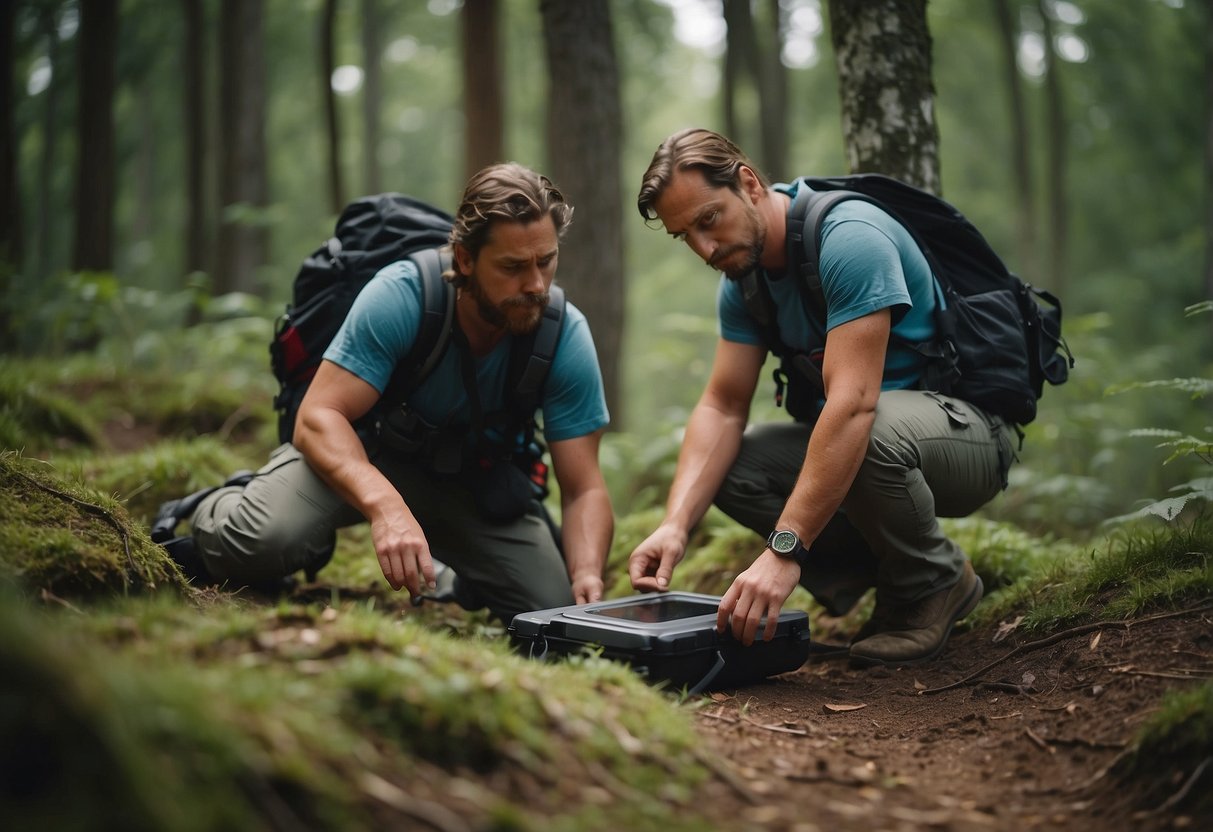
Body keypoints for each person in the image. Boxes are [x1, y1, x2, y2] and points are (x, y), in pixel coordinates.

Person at [628, 128, 1016, 666]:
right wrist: (675, 523)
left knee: (865, 427)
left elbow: (853, 405)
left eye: (708, 220)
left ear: (749, 183)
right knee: (730, 464)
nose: (705, 249)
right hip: (876, 437)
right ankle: (895, 577)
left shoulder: (849, 238)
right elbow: (722, 405)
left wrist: (785, 550)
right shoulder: (745, 279)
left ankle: (934, 580)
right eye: (684, 236)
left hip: (970, 436)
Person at [162, 163, 614, 623]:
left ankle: (461, 574)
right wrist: (386, 508)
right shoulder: (403, 295)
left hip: (472, 482)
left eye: (546, 261)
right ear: (464, 259)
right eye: (513, 267)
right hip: (364, 457)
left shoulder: (563, 335)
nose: (536, 285)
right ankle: (215, 506)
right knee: (259, 542)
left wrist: (586, 571)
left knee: (556, 613)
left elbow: (583, 489)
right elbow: (318, 416)